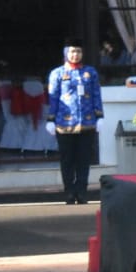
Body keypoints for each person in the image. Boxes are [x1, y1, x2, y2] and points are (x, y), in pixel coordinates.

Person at [46, 39, 104, 204]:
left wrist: (99, 116)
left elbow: (96, 95)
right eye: (72, 51)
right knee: (67, 159)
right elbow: (53, 98)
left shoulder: (90, 73)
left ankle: (82, 191)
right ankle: (69, 191)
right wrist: (50, 119)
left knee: (84, 159)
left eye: (78, 51)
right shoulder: (57, 73)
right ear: (66, 53)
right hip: (64, 124)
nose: (75, 55)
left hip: (87, 123)